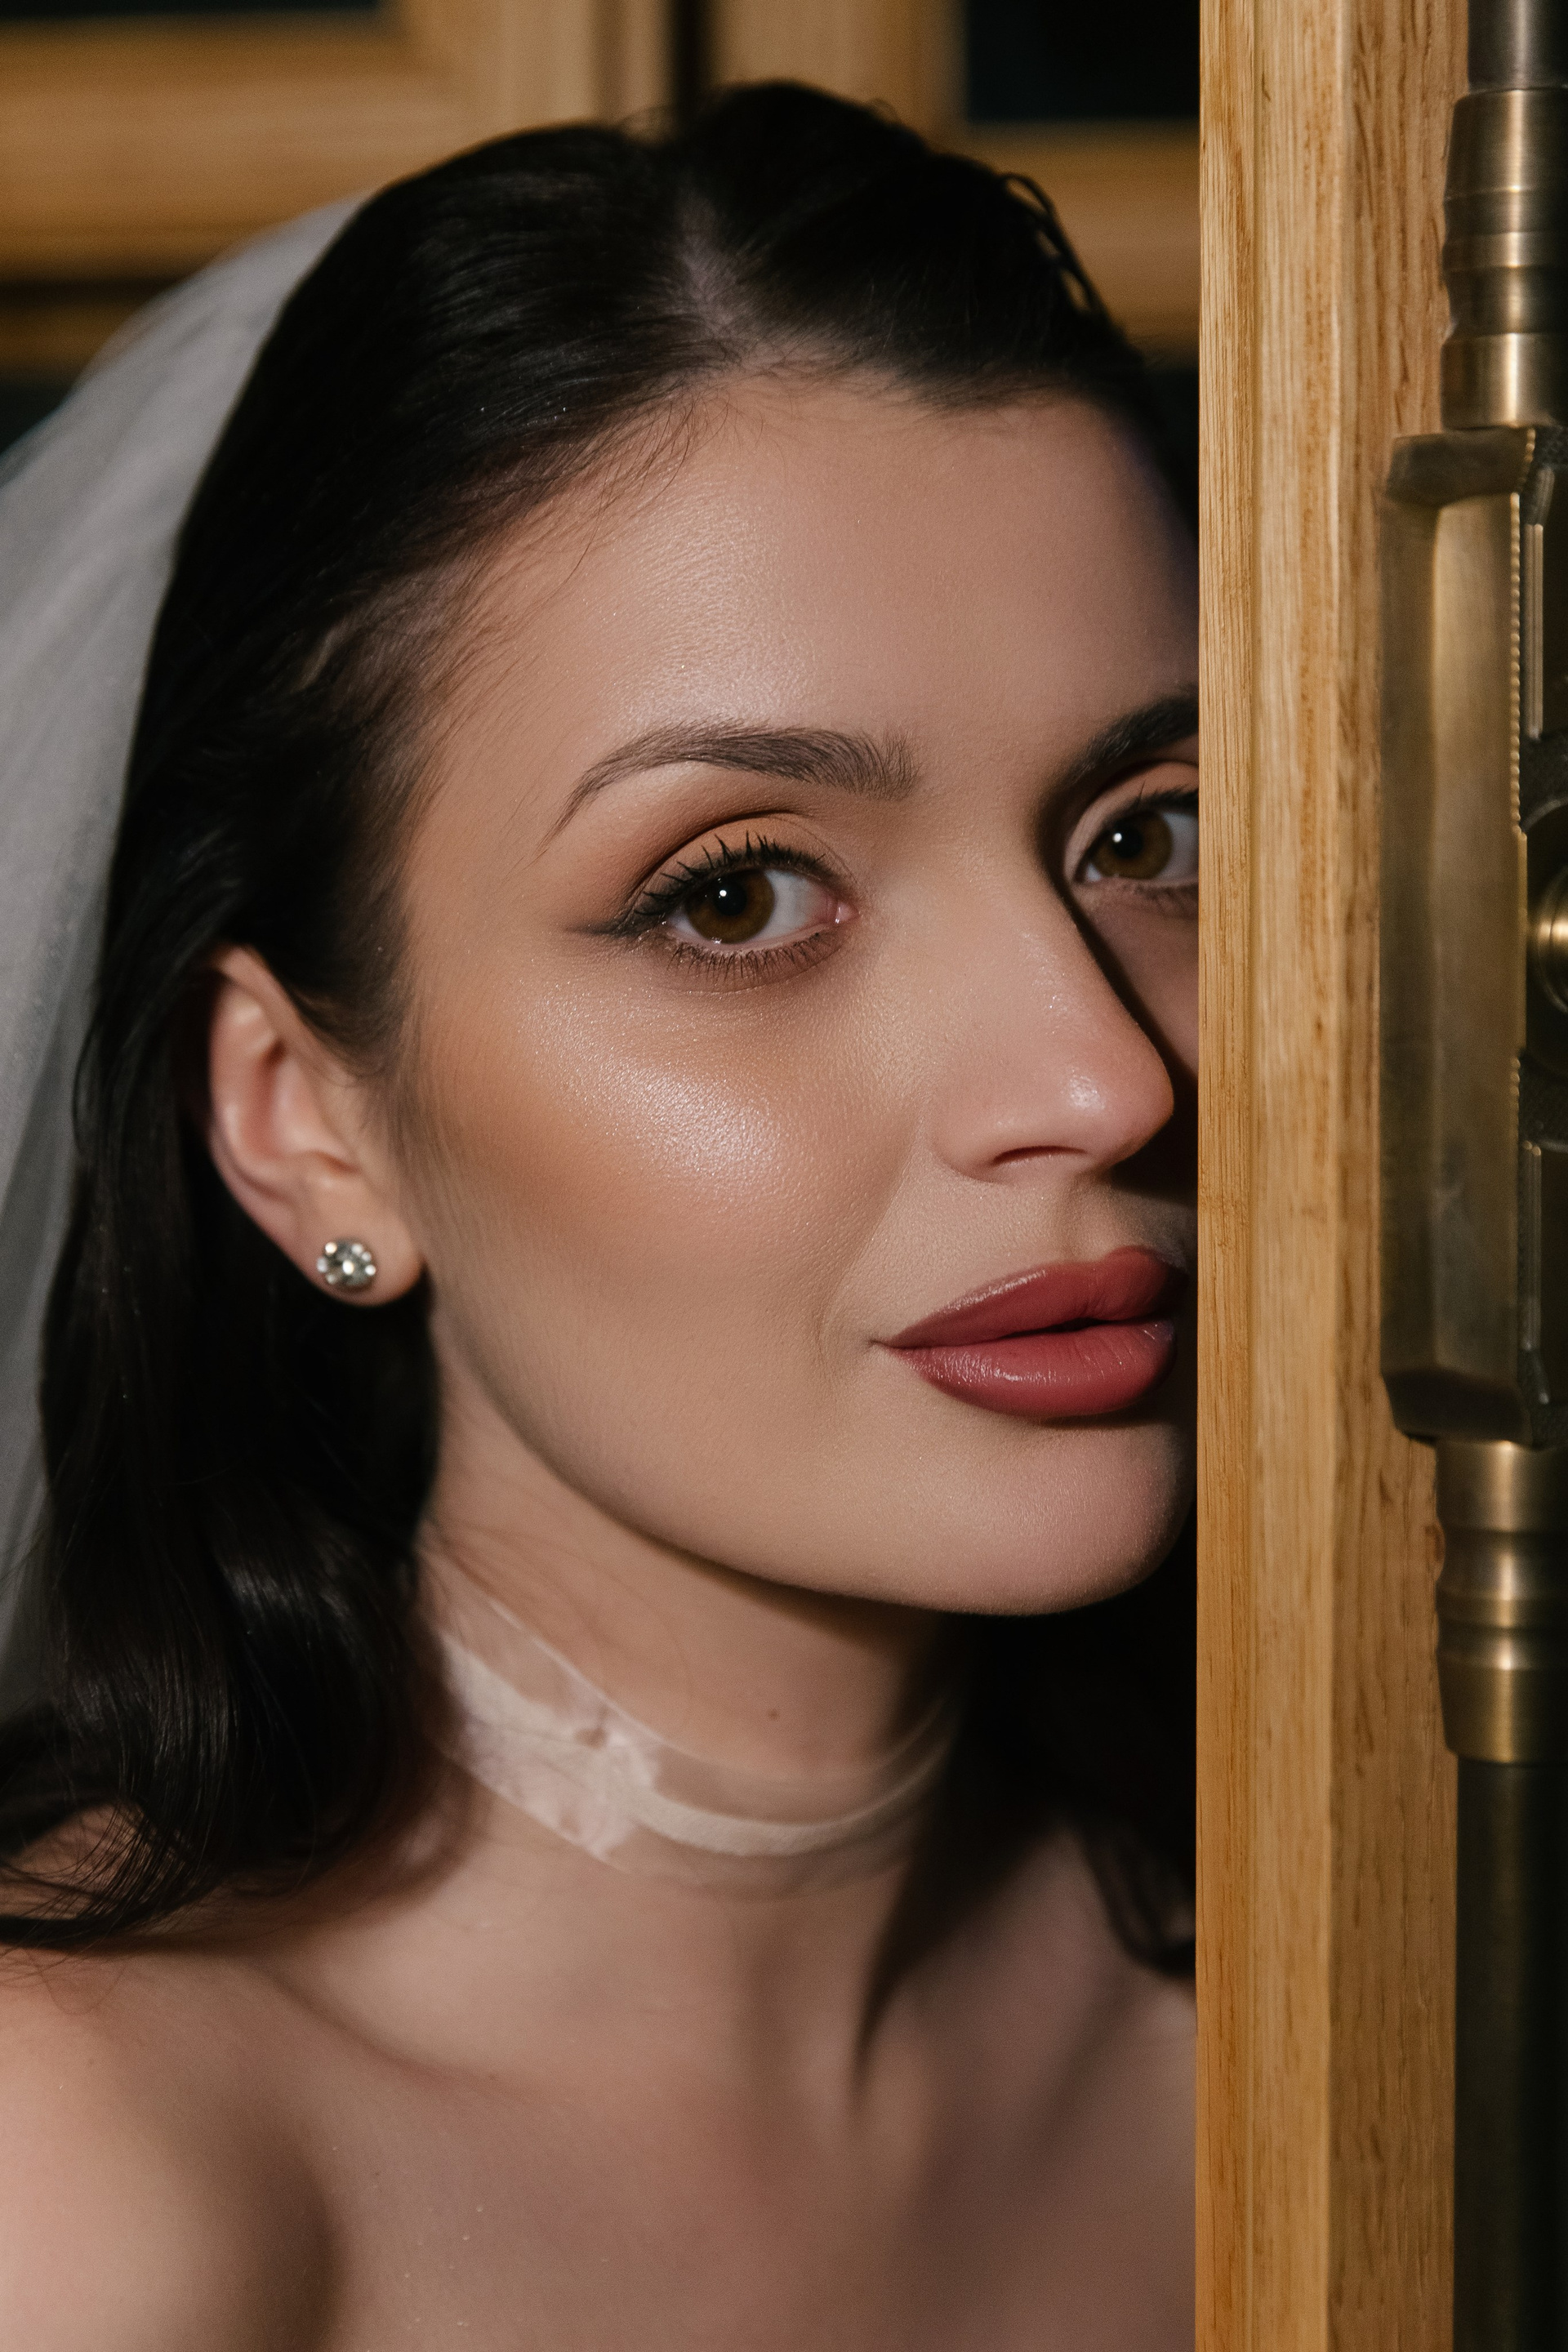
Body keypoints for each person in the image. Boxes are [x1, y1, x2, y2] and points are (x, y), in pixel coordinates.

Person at [0, 83, 1197, 2346]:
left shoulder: (1352, 2004)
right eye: (738, 895)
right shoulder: (78, 2183)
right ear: (307, 1122)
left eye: (1147, 838)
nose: (1102, 1078)